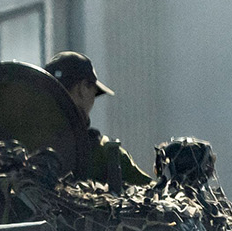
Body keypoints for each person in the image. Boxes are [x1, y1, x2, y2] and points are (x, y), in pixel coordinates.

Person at [43, 51, 152, 191]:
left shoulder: (24, 148)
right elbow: (151, 194)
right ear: (83, 88)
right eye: (94, 91)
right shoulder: (106, 153)